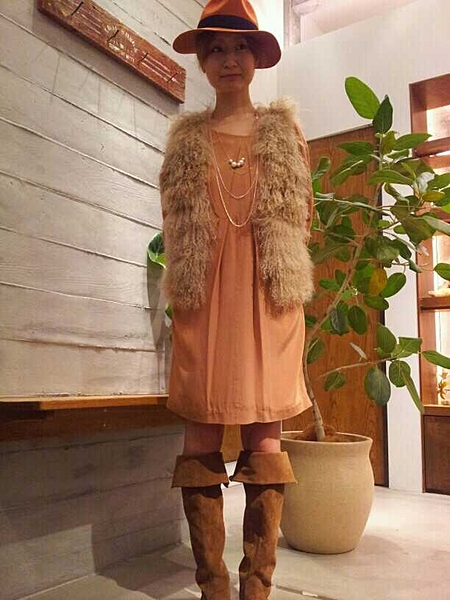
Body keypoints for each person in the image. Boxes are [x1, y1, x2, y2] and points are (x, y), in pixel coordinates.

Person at [159, 1, 315, 598]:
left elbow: (301, 218)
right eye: (218, 49)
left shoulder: (285, 134)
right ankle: (213, 587)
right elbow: (176, 227)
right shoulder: (186, 142)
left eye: (241, 47)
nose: (230, 59)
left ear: (256, 58)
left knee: (265, 439)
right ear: (203, 61)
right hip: (204, 303)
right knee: (201, 436)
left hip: (269, 301)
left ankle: (257, 587)